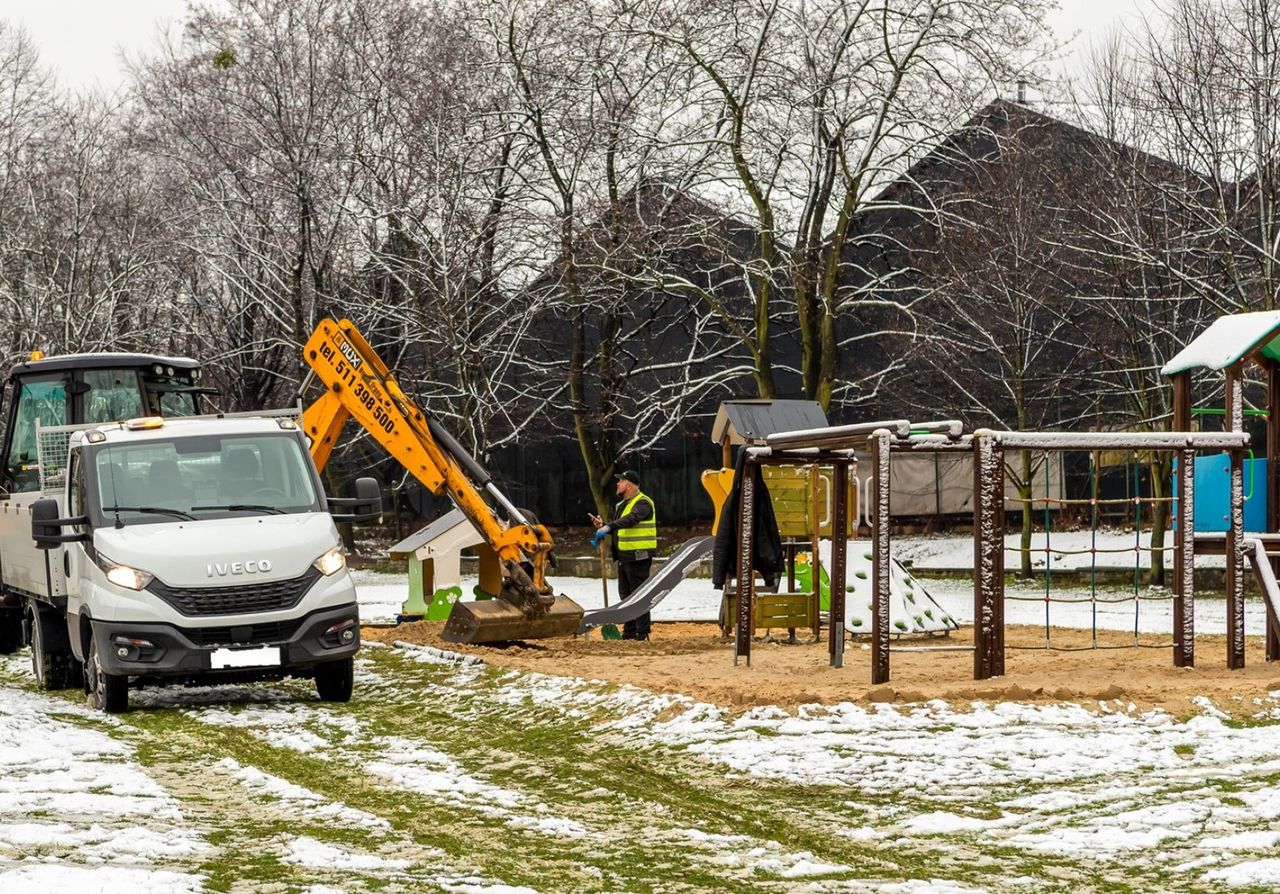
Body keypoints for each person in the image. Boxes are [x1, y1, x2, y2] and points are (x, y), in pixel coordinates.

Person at [590, 470, 657, 640]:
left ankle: (642, 633)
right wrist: (604, 525)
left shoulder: (643, 503)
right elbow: (621, 526)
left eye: (620, 481)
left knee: (639, 595)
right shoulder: (623, 505)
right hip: (625, 557)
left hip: (639, 556)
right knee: (626, 596)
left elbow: (632, 520)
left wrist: (608, 527)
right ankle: (629, 631)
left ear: (628, 484)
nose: (617, 485)